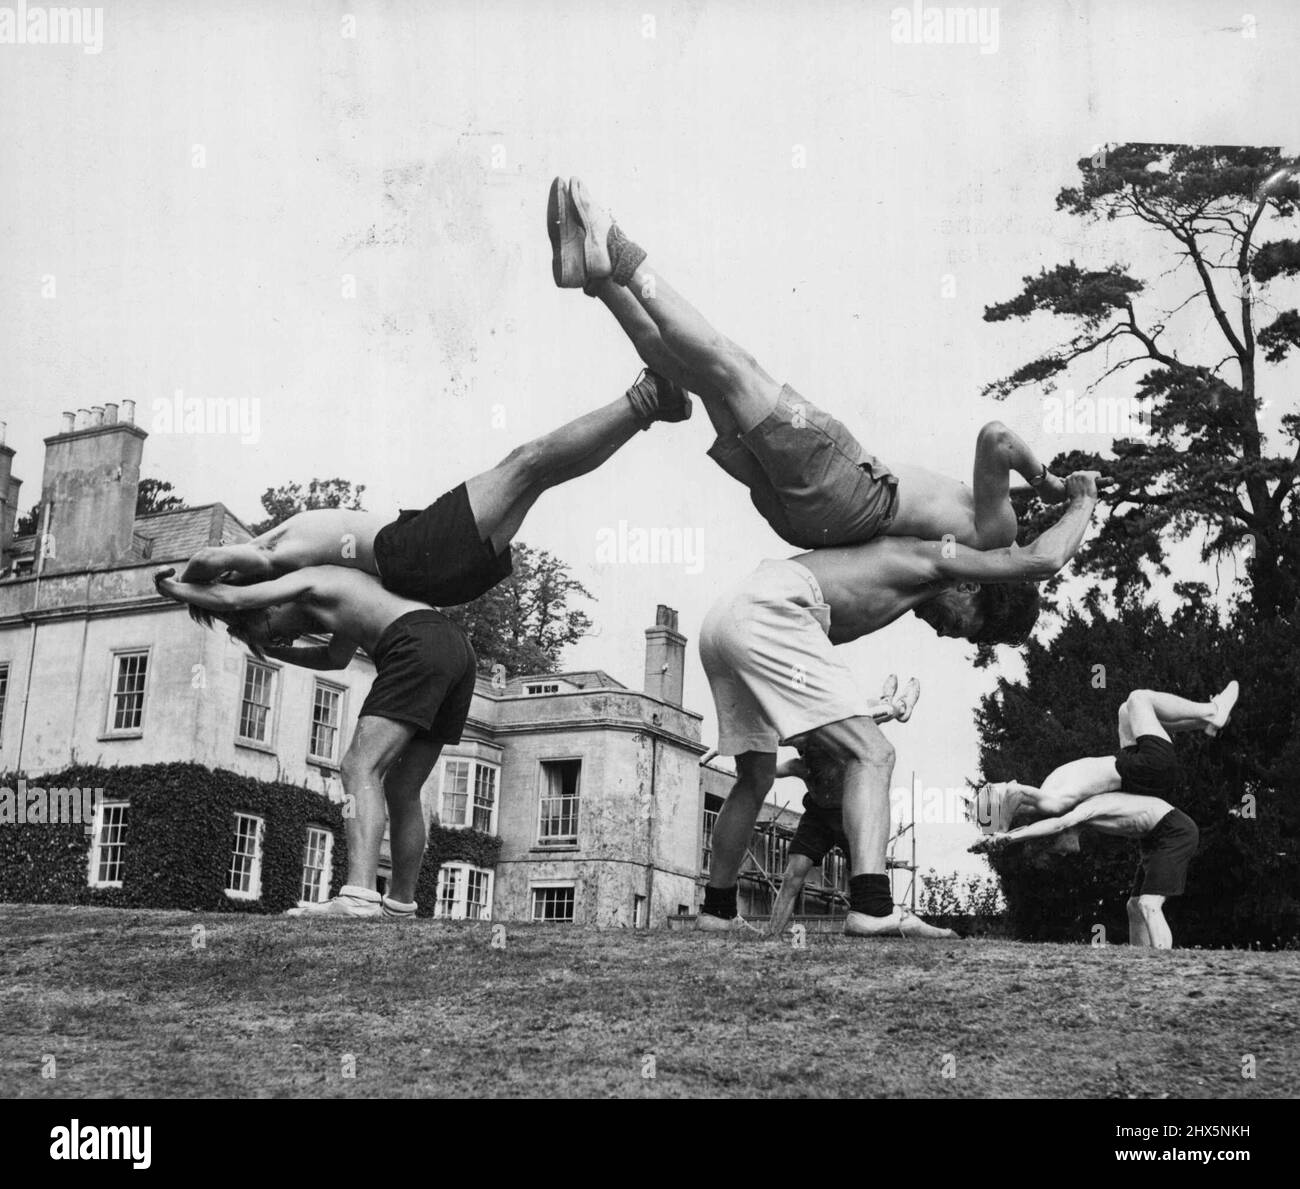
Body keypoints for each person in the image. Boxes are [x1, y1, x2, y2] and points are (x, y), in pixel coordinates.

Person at [549, 175, 1070, 557]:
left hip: (854, 497)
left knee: (731, 366)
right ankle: (597, 281)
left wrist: (1046, 483)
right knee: (703, 376)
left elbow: (997, 438)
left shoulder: (998, 534)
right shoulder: (957, 553)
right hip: (812, 519)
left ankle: (618, 251)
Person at [692, 470, 1100, 936]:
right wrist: (1080, 502)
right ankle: (871, 905)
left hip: (726, 619)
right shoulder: (938, 560)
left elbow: (987, 507)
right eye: (963, 627)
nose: (946, 632)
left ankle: (717, 910)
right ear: (970, 586)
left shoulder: (909, 558)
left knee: (755, 776)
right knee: (873, 753)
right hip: (772, 612)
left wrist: (1025, 498)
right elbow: (1040, 561)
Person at [175, 370, 689, 606]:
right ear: (230, 573)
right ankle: (645, 398)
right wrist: (181, 582)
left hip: (434, 576)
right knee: (525, 462)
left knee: (542, 476)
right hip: (413, 552)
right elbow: (208, 562)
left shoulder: (285, 562)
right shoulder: (272, 561)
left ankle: (650, 409)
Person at [154, 564, 475, 919]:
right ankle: (400, 905)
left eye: (274, 635)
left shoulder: (308, 583)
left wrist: (175, 589)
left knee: (358, 767)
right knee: (403, 787)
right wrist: (273, 651)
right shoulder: (347, 599)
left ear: (270, 605)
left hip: (415, 642)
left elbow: (232, 596)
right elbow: (334, 658)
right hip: (456, 650)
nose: (285, 641)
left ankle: (359, 897)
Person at [764, 678, 957, 939]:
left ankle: (895, 702)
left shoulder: (838, 741)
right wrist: (744, 754)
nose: (802, 749)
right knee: (792, 875)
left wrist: (889, 709)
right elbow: (769, 769)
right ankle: (772, 933)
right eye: (800, 747)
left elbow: (866, 721)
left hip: (849, 816)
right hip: (818, 817)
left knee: (865, 872)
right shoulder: (801, 763)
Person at [968, 681, 1239, 832]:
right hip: (1145, 767)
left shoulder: (1045, 795)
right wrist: (999, 830)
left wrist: (999, 820)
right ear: (1009, 806)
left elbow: (1021, 799)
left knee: (1125, 712)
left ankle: (1206, 723)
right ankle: (1212, 710)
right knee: (1138, 699)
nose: (1008, 783)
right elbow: (1021, 798)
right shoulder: (1050, 802)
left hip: (1132, 763)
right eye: (1000, 790)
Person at [969, 794, 1200, 949]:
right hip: (1153, 838)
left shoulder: (1084, 810)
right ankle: (1139, 962)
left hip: (1174, 831)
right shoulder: (1082, 812)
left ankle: (1164, 966)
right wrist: (1002, 834)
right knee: (1134, 905)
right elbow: (1043, 823)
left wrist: (1008, 838)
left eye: (1054, 846)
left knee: (1149, 904)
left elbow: (1056, 824)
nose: (1060, 853)